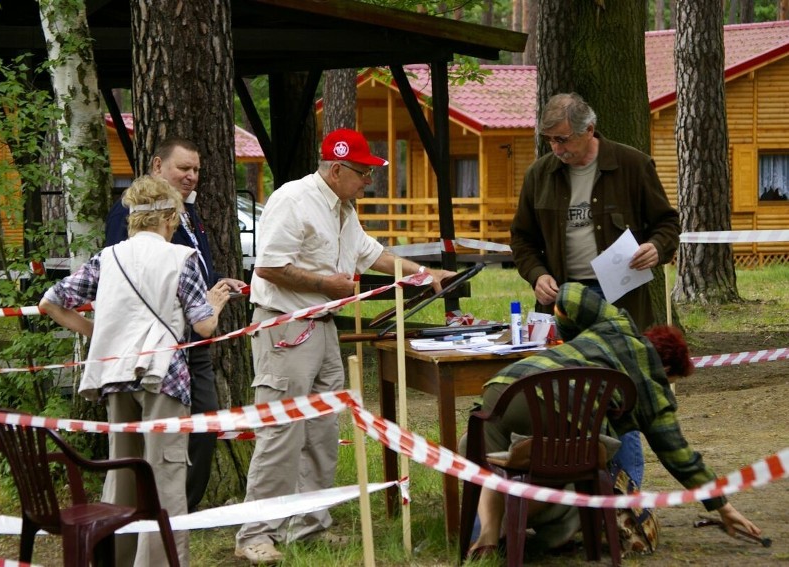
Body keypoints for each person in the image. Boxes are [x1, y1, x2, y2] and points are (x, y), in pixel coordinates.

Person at [234, 128, 456, 565]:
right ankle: (255, 533)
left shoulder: (343, 208)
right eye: (362, 173)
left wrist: (425, 273)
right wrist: (325, 284)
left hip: (323, 327)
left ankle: (309, 525)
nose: (367, 182)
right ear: (336, 169)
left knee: (322, 431)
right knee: (281, 431)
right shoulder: (292, 200)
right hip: (285, 328)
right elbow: (269, 267)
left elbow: (374, 256)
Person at [465, 282, 762, 560]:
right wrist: (722, 506)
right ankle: (528, 528)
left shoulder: (616, 324)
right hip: (555, 410)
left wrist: (572, 337)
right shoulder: (654, 390)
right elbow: (681, 457)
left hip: (502, 389)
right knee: (565, 469)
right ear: (668, 367)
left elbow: (569, 294)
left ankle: (487, 540)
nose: (667, 385)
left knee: (493, 466)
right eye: (671, 380)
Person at [40, 175, 230, 566]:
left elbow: (51, 302)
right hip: (165, 376)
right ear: (169, 219)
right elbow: (204, 326)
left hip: (114, 374)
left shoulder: (107, 258)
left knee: (122, 473)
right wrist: (214, 302)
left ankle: (114, 558)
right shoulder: (182, 259)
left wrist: (97, 334)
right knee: (166, 474)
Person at [510, 92, 682, 487]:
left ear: (589, 130)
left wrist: (656, 248)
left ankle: (625, 495)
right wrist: (537, 274)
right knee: (567, 394)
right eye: (550, 140)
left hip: (621, 300)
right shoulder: (540, 174)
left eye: (563, 139)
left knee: (622, 396)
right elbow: (521, 239)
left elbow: (667, 225)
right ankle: (579, 489)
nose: (557, 148)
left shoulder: (633, 165)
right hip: (563, 302)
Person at [105, 136, 246, 513]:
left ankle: (180, 509)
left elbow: (191, 271)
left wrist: (215, 286)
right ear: (156, 166)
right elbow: (132, 276)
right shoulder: (129, 214)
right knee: (148, 438)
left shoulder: (188, 211)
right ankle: (152, 511)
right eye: (183, 168)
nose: (191, 176)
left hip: (194, 345)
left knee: (203, 427)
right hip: (154, 348)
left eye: (196, 170)